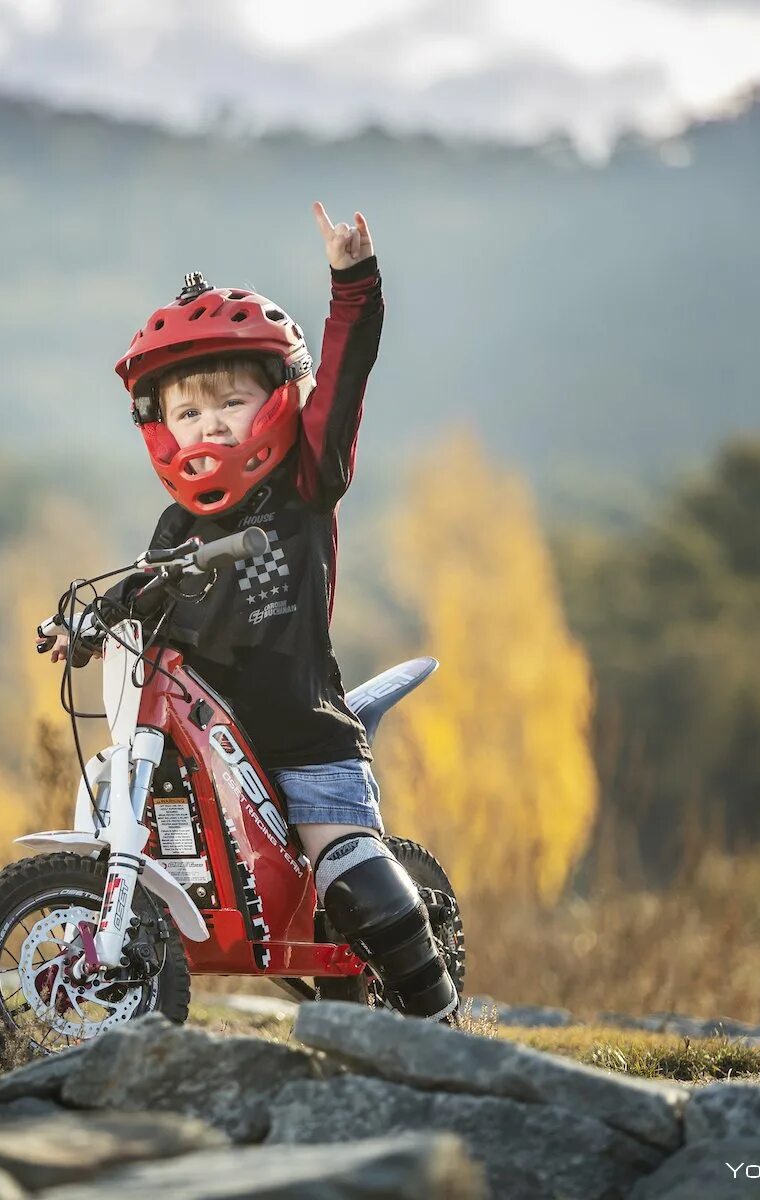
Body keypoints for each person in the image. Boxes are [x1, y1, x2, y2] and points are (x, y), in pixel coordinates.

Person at [48, 203, 457, 1021]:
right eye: (187, 413)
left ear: (277, 399)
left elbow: (344, 379)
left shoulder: (307, 481)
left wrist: (353, 286)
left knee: (347, 869)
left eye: (228, 403)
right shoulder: (179, 525)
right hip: (198, 737)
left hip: (300, 739)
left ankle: (437, 1012)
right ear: (157, 428)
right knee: (107, 797)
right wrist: (80, 625)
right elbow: (137, 586)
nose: (208, 424)